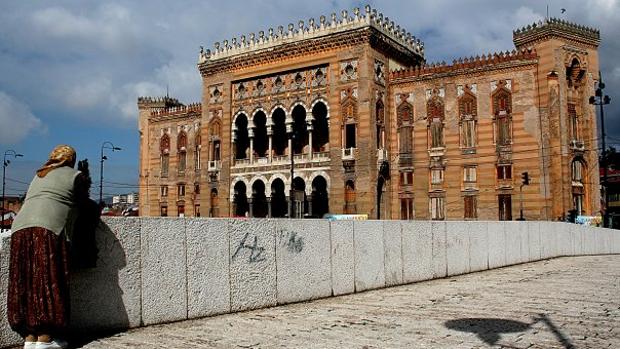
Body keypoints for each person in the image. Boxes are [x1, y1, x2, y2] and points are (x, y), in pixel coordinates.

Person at [7, 145, 90, 349]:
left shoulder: (39, 175)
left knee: (25, 280)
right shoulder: (75, 175)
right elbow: (83, 205)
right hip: (49, 227)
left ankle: (29, 337)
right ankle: (46, 337)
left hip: (20, 228)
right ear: (70, 160)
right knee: (49, 278)